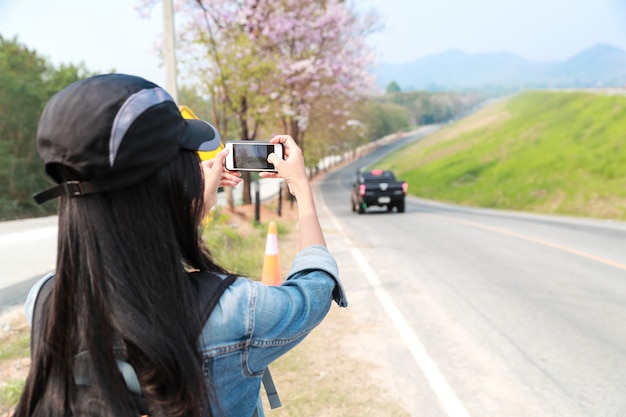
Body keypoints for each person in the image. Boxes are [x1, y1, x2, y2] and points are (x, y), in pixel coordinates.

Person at [14, 73, 347, 417]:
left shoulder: (45, 301)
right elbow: (315, 289)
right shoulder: (235, 311)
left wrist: (188, 200)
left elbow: (127, 242)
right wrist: (301, 189)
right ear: (169, 188)